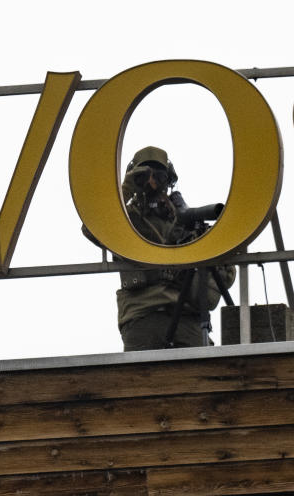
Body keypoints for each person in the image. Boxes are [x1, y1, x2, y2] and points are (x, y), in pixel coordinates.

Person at [87, 146, 235, 351]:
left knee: (205, 375)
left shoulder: (182, 219)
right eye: (144, 175)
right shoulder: (123, 219)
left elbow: (222, 270)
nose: (152, 181)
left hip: (185, 316)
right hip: (142, 314)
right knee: (141, 378)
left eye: (159, 175)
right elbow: (91, 227)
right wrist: (125, 190)